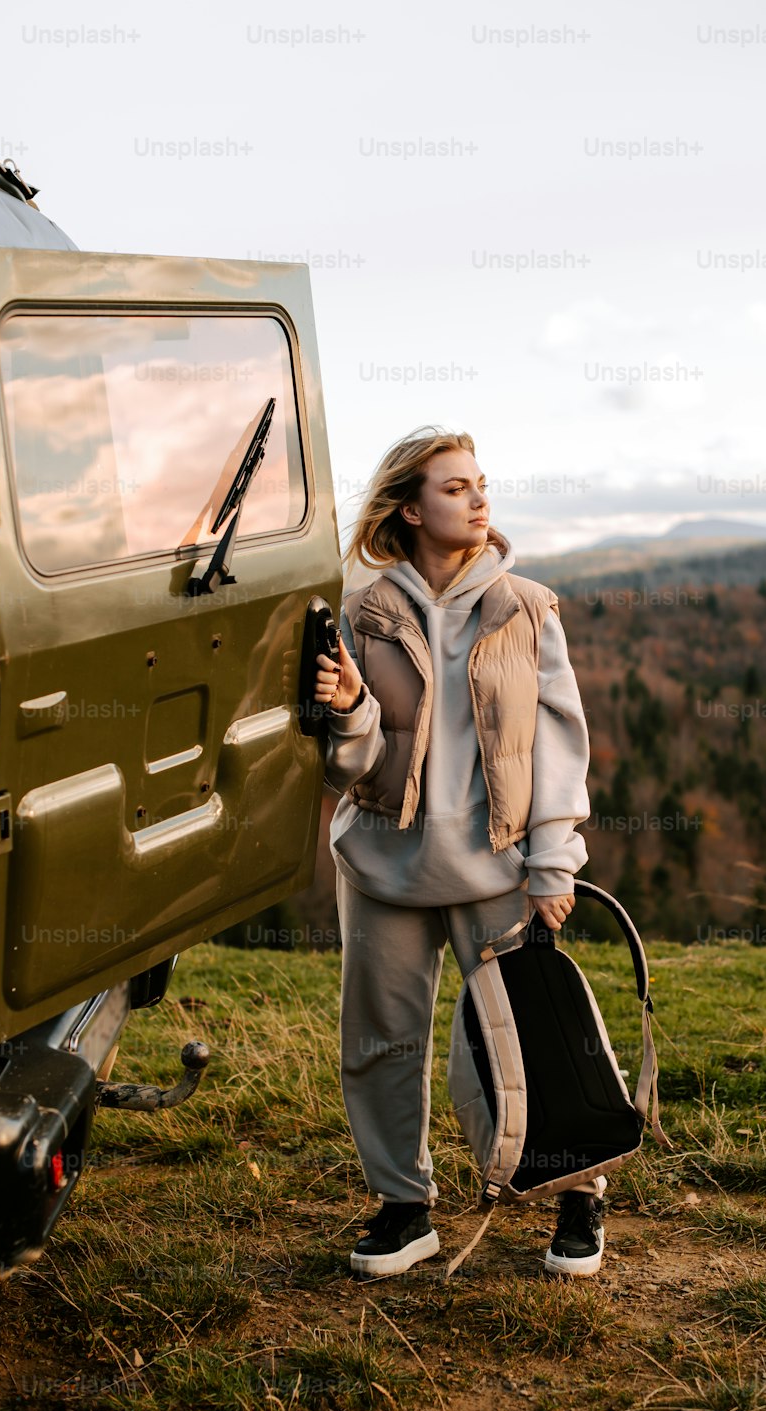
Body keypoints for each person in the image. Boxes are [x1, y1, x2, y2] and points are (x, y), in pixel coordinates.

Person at [313, 426, 605, 1279]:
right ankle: (405, 1208)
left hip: (499, 864)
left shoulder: (527, 606)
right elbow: (347, 764)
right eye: (455, 487)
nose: (479, 498)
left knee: (529, 1038)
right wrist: (348, 713)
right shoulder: (357, 611)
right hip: (380, 864)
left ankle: (577, 1193)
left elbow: (560, 742)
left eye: (481, 483)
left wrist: (555, 862)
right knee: (379, 1043)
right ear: (409, 508)